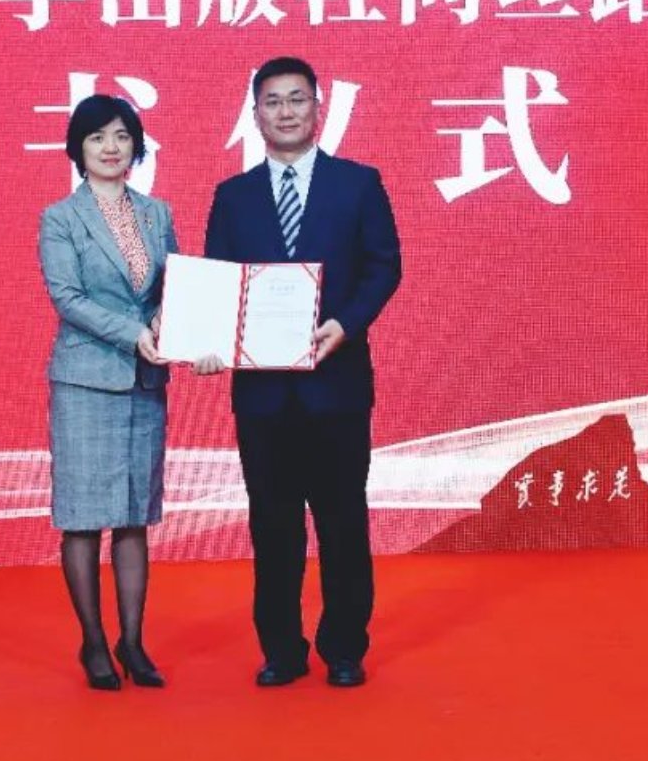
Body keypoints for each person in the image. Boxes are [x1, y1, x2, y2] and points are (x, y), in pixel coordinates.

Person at [201, 56, 402, 688]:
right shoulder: (233, 197)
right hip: (262, 395)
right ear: (255, 114)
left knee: (343, 521)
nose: (285, 112)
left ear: (318, 108)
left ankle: (344, 648)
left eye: (296, 99)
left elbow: (384, 266)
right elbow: (218, 286)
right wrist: (209, 341)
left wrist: (346, 324)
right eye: (272, 101)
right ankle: (282, 650)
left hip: (336, 386)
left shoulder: (358, 184)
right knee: (273, 525)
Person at [38, 94, 179, 691]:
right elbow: (67, 297)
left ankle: (134, 642)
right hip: (85, 381)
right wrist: (135, 334)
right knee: (82, 518)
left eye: (122, 136)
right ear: (78, 149)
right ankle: (94, 643)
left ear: (137, 146)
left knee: (133, 516)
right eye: (97, 137)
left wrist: (175, 325)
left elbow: (176, 288)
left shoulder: (156, 213)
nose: (111, 147)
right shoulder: (61, 219)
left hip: (145, 382)